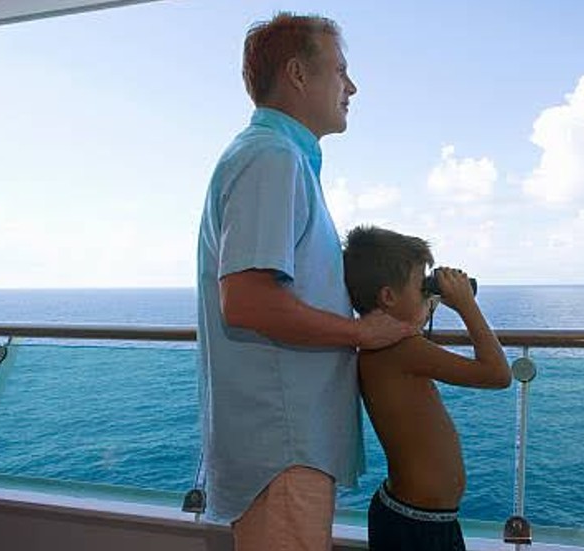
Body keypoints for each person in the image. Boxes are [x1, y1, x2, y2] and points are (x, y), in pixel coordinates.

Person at [195, 12, 416, 551]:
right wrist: (364, 333)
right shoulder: (271, 159)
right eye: (340, 70)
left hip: (286, 444)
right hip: (284, 446)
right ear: (298, 74)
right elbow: (247, 301)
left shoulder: (279, 158)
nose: (352, 86)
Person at [342, 225, 512, 551]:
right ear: (388, 296)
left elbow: (411, 321)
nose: (427, 294)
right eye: (422, 286)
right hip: (417, 523)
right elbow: (497, 374)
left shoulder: (386, 348)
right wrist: (466, 305)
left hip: (414, 517)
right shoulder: (403, 351)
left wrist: (424, 299)